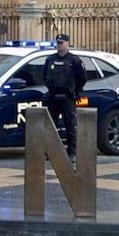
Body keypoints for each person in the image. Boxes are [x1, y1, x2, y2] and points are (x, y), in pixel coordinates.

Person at [41, 33, 87, 163]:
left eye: (61, 43)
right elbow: (45, 76)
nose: (59, 45)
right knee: (51, 126)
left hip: (68, 97)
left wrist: (75, 91)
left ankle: (72, 152)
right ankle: (50, 152)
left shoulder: (74, 60)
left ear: (67, 44)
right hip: (53, 97)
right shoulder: (50, 59)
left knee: (70, 126)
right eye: (58, 43)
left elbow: (82, 78)